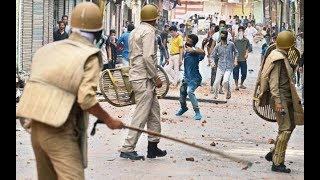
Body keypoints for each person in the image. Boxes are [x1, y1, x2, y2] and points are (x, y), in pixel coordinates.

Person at [16, 2, 124, 180]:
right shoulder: (90, 55)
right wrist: (110, 120)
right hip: (59, 130)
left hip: (34, 127)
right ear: (97, 33)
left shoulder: (46, 50)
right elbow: (86, 99)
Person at [119, 4, 167, 161]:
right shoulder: (149, 31)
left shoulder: (135, 31)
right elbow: (147, 57)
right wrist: (156, 77)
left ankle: (153, 147)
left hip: (138, 76)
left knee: (154, 112)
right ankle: (127, 147)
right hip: (144, 78)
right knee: (141, 114)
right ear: (154, 19)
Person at [259, 31, 304, 173]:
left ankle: (274, 151)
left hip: (286, 97)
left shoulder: (278, 55)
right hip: (280, 98)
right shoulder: (278, 58)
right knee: (285, 129)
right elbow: (273, 83)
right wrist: (278, 102)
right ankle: (277, 163)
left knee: (289, 127)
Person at [175, 34, 205, 120]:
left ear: (193, 43)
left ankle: (197, 112)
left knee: (190, 91)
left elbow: (202, 52)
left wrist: (193, 50)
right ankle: (183, 108)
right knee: (182, 94)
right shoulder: (187, 51)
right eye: (187, 40)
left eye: (189, 41)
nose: (187, 42)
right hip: (186, 78)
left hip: (195, 78)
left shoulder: (195, 51)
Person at [210, 30, 238, 100]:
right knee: (216, 82)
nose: (223, 36)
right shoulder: (217, 46)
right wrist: (213, 63)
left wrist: (235, 61)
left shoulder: (231, 44)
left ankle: (228, 92)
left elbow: (236, 52)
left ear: (226, 36)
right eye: (221, 35)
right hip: (220, 66)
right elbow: (212, 56)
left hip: (229, 66)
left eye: (224, 35)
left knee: (225, 81)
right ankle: (215, 95)